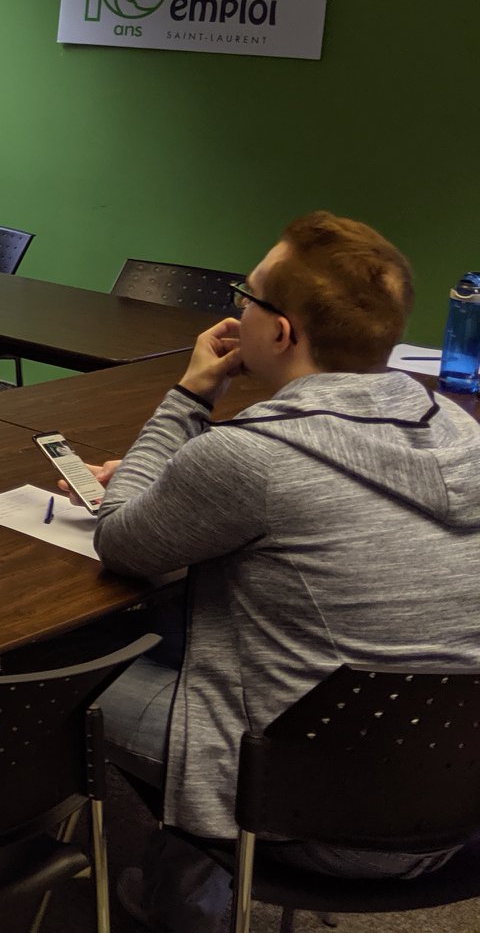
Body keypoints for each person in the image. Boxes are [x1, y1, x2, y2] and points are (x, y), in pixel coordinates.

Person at [77, 212, 480, 931]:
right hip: (453, 790)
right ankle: (182, 887)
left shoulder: (251, 456)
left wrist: (190, 397)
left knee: (57, 674)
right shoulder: (456, 427)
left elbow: (122, 541)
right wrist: (181, 480)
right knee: (208, 630)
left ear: (280, 332)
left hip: (310, 809)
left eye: (247, 295)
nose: (238, 308)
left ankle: (173, 910)